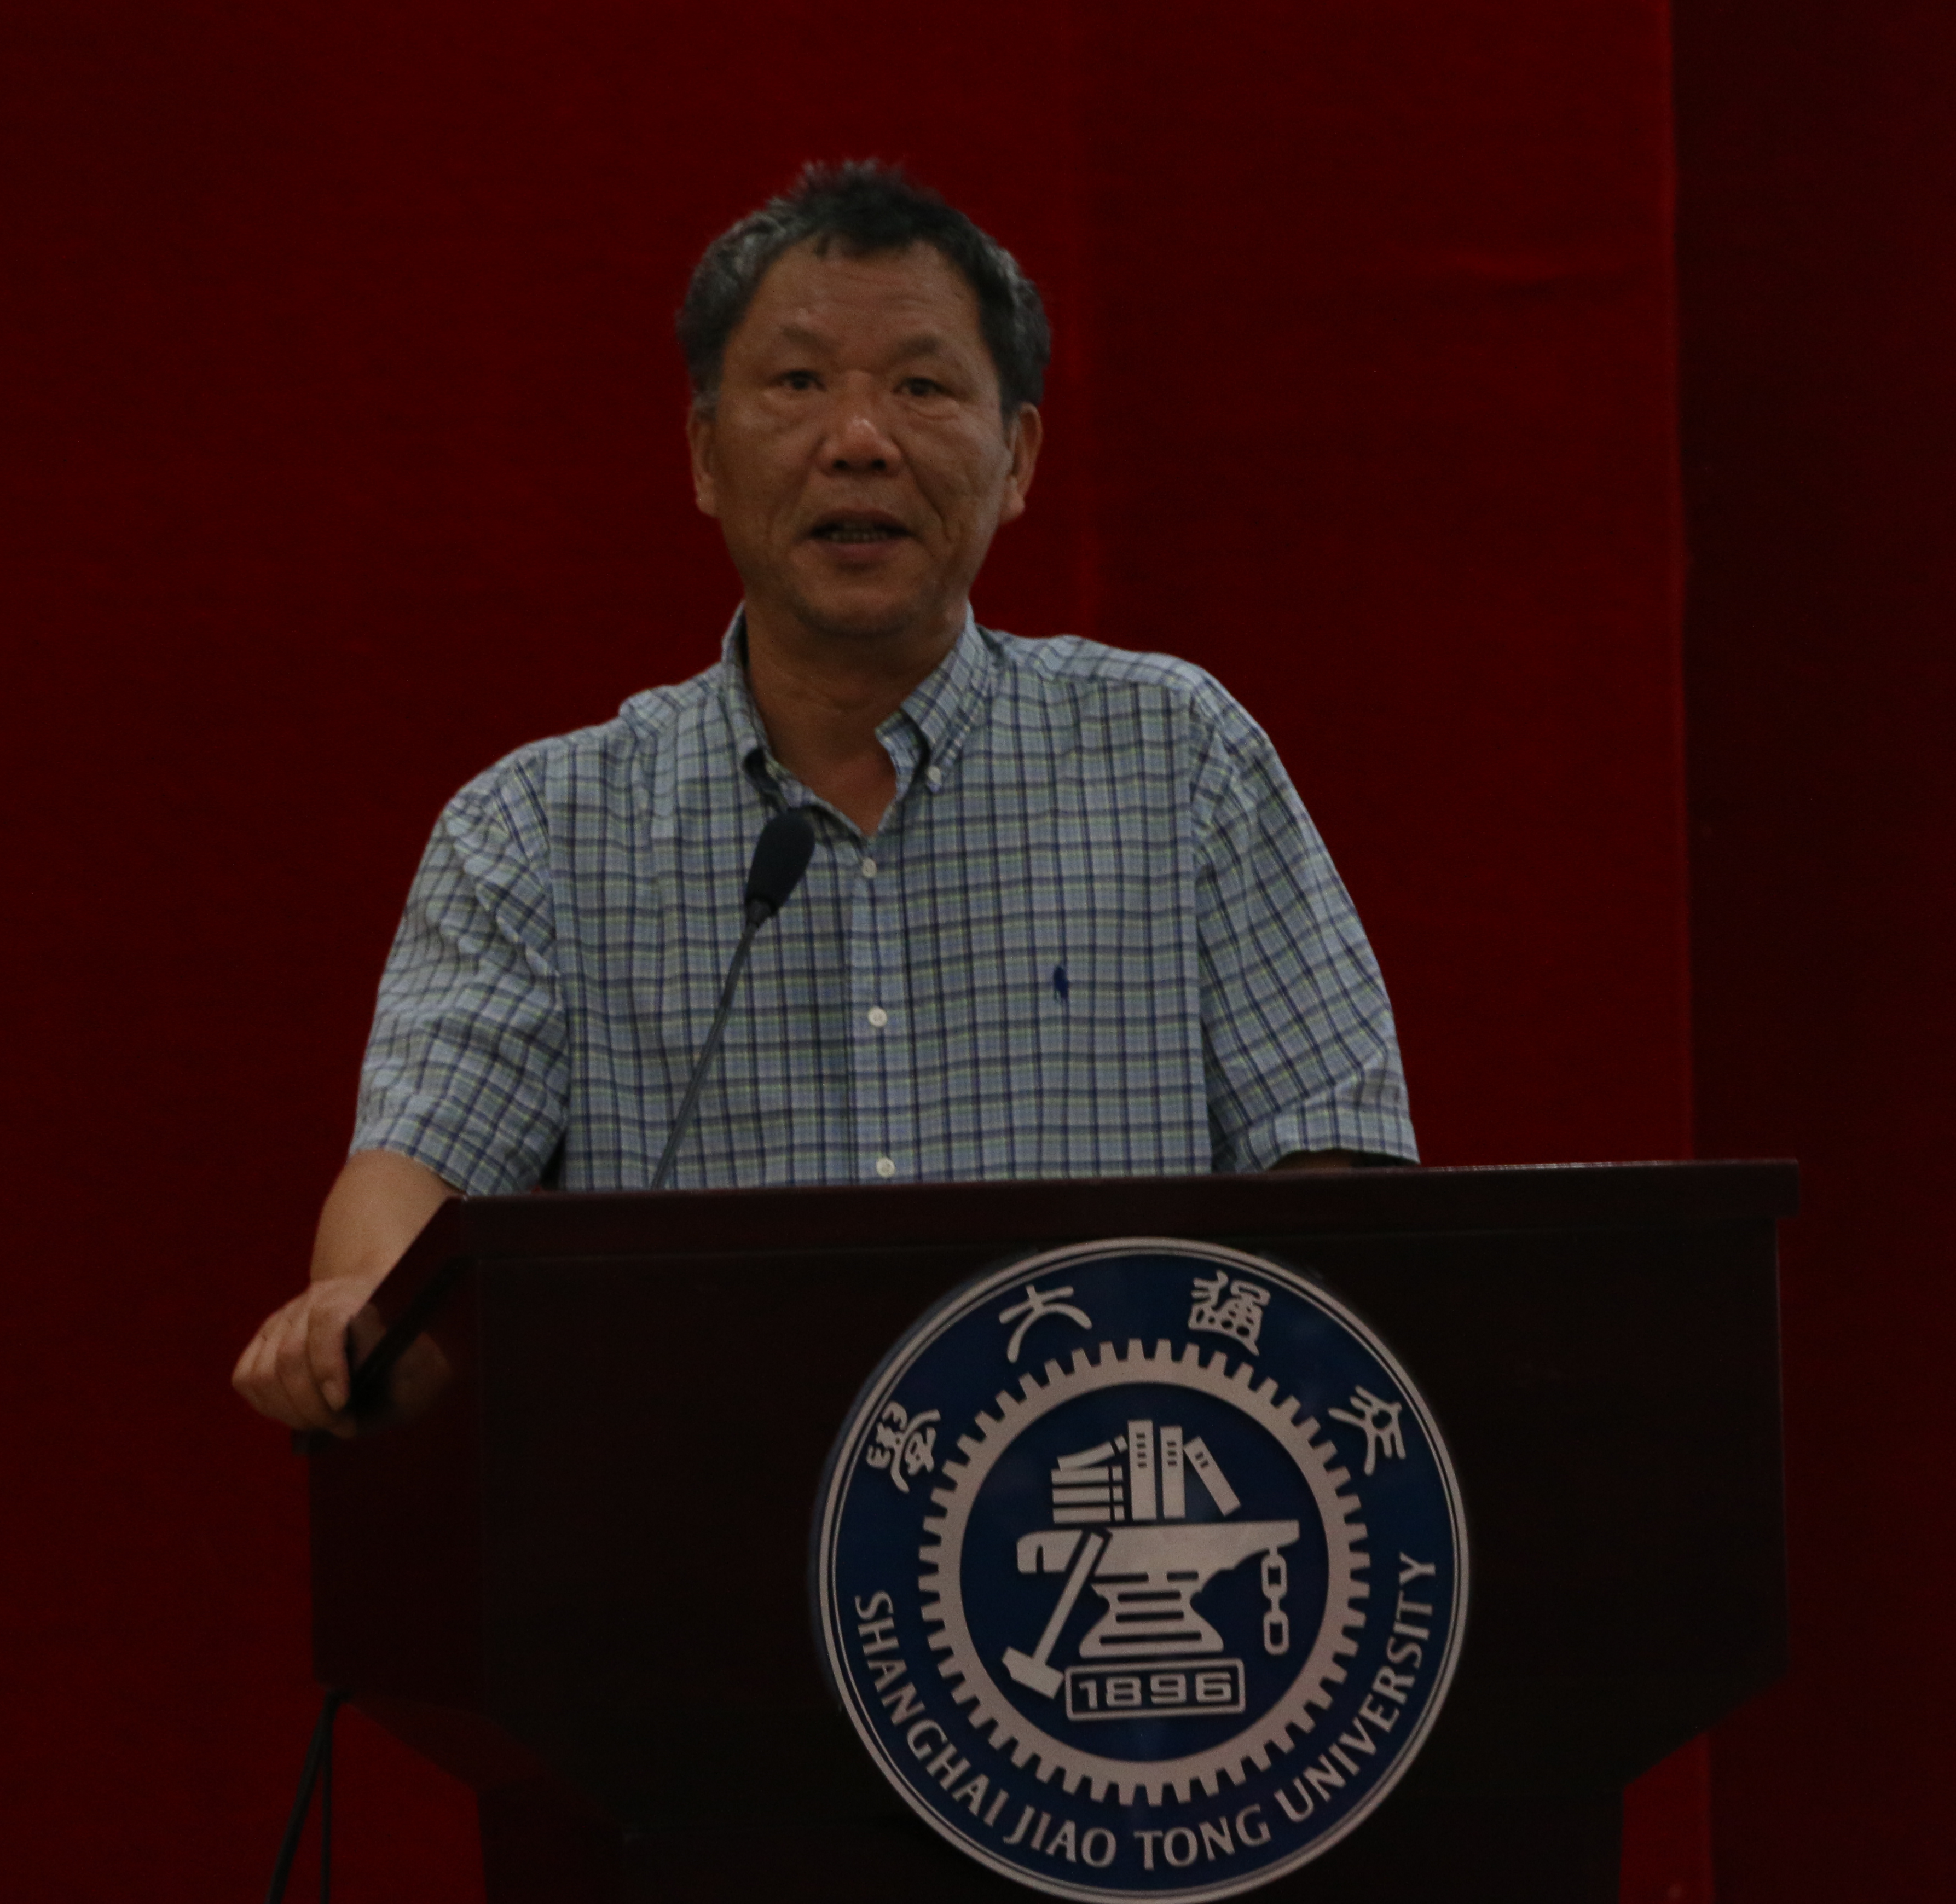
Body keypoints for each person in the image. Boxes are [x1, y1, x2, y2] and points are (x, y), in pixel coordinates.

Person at [233, 162, 1415, 1435]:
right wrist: (358, 1303)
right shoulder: (540, 831)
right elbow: (415, 1167)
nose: (860, 439)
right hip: (710, 1501)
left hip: (1103, 1498)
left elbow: (1333, 1159)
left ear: (1018, 457)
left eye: (921, 387)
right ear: (704, 454)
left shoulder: (1176, 758)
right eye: (798, 384)